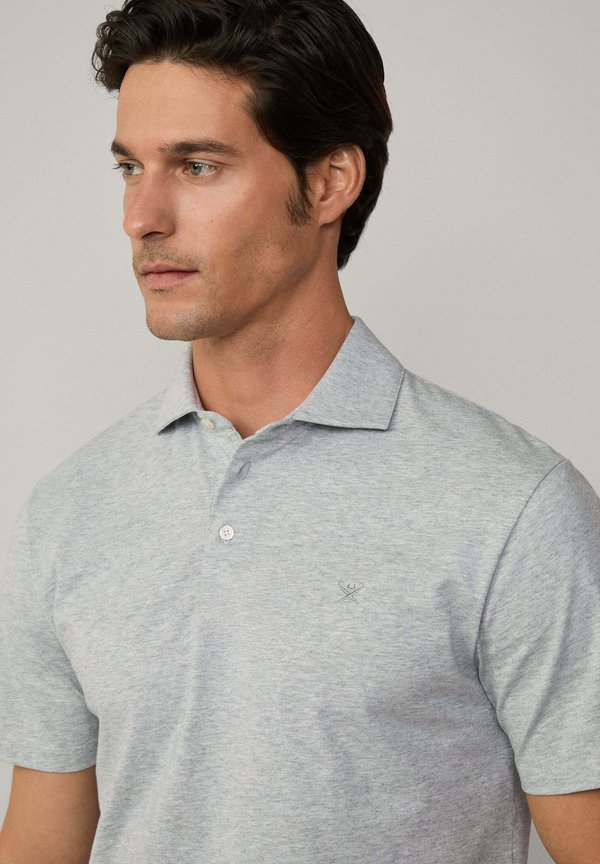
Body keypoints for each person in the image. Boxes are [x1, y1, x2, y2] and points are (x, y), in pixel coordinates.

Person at [0, 1, 599, 862]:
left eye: (197, 166)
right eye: (130, 167)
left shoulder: (516, 510)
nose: (142, 217)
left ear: (328, 184)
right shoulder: (69, 512)